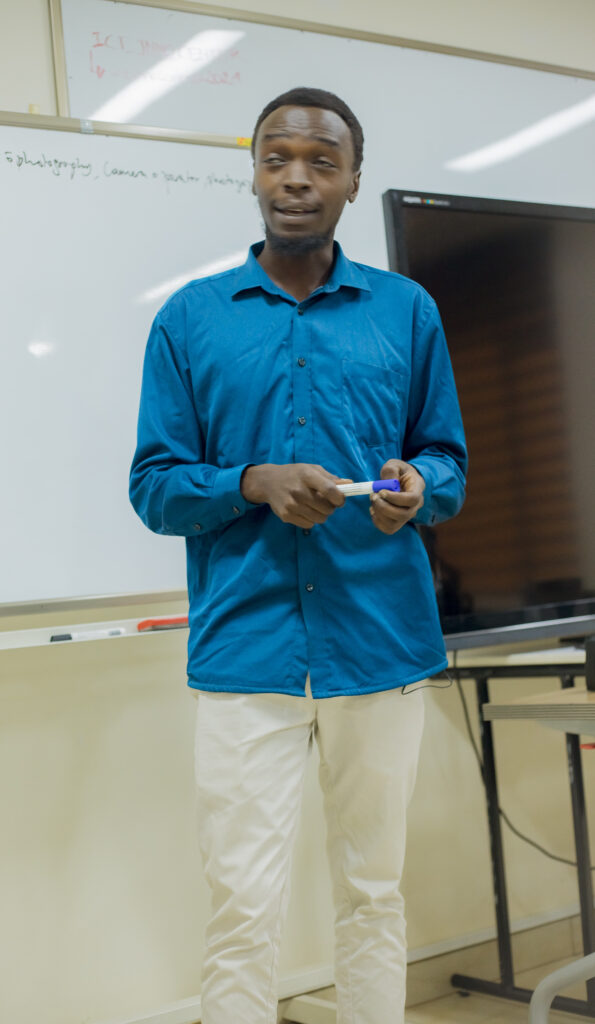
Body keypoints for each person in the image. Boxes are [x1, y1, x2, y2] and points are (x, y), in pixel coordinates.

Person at [129, 86, 467, 1024]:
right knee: (241, 908)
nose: (295, 178)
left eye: (322, 161)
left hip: (380, 641)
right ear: (252, 173)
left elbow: (446, 461)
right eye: (276, 157)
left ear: (353, 182)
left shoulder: (406, 311)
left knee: (374, 893)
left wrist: (418, 487)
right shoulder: (190, 319)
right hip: (248, 653)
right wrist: (251, 482)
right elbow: (154, 486)